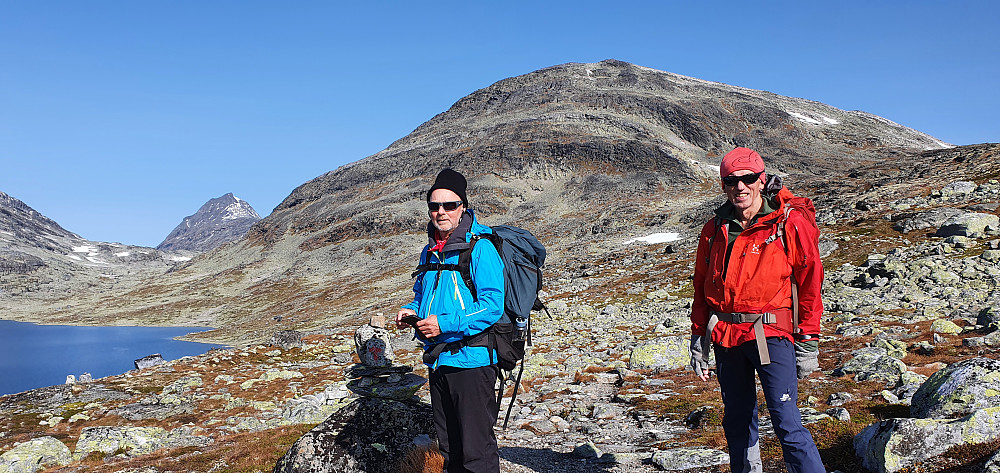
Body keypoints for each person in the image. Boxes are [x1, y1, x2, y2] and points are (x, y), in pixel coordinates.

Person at [689, 147, 825, 473]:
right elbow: (702, 286)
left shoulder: (788, 223)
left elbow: (810, 282)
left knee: (787, 424)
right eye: (731, 181)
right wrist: (698, 338)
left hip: (771, 335)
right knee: (737, 422)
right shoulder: (714, 229)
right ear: (723, 185)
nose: (740, 187)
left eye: (748, 179)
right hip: (726, 337)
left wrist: (808, 340)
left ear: (761, 180)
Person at [396, 168, 504, 473]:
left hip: (472, 361)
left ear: (463, 208)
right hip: (439, 362)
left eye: (449, 205)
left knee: (476, 452)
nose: (441, 212)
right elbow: (422, 295)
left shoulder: (480, 248)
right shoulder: (428, 252)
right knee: (449, 450)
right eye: (434, 206)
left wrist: (444, 324)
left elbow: (493, 305)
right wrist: (410, 311)